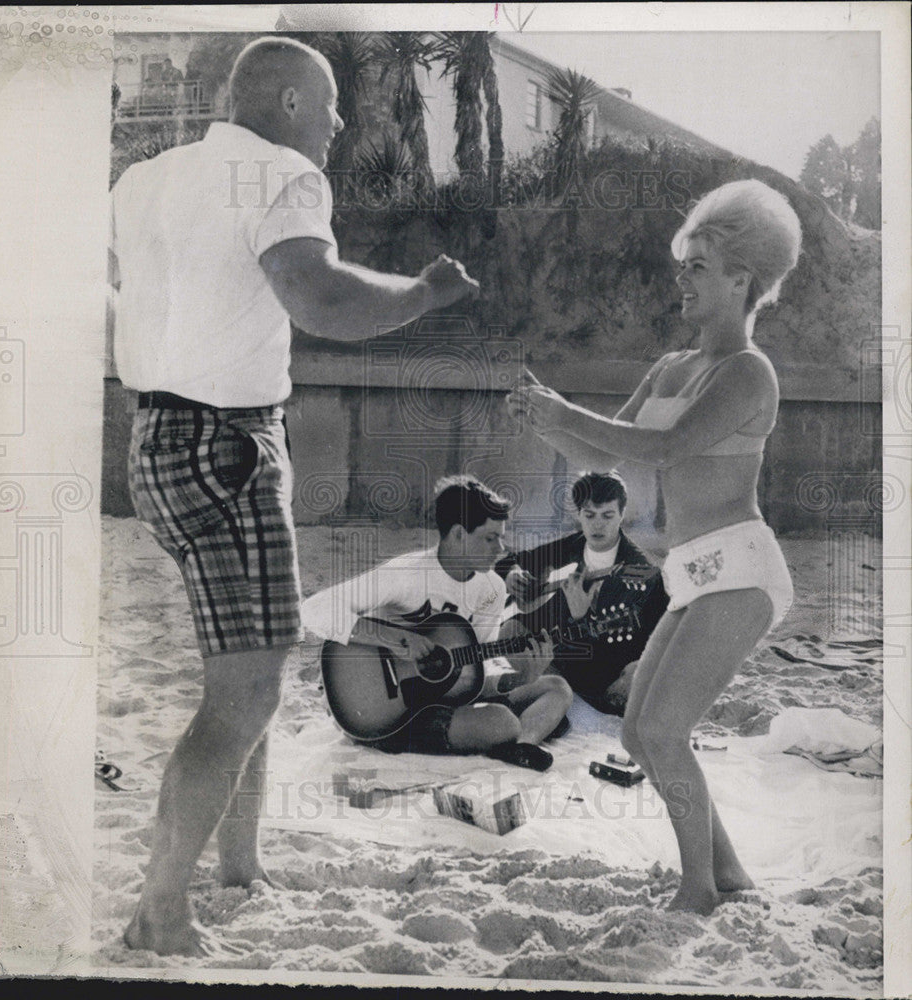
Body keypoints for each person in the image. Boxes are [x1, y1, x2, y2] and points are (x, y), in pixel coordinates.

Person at [109, 36, 478, 957]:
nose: (341, 124)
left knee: (251, 667)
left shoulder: (144, 179)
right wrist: (424, 294)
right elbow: (322, 300)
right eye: (331, 107)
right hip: (226, 445)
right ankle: (160, 912)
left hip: (153, 441)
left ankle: (238, 868)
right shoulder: (282, 175)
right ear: (284, 105)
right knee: (242, 693)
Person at [509, 179, 801, 915]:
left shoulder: (746, 373)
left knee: (664, 728)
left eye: (697, 265)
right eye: (684, 262)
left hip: (741, 570)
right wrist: (543, 420)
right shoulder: (673, 366)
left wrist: (565, 412)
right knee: (641, 733)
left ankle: (697, 890)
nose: (682, 277)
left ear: (741, 280)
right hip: (692, 573)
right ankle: (727, 873)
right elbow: (607, 461)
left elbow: (667, 448)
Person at [303, 476, 572, 770]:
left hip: (444, 695)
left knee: (556, 687)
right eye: (490, 538)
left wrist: (517, 678)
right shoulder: (408, 573)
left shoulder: (493, 589)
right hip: (384, 706)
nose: (501, 549)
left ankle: (522, 747)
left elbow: (475, 670)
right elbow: (314, 609)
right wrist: (392, 637)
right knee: (502, 722)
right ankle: (406, 735)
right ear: (458, 534)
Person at [495, 471, 668, 717]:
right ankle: (545, 699)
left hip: (608, 676)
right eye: (589, 516)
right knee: (510, 630)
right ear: (579, 515)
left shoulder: (641, 572)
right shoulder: (571, 546)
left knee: (639, 676)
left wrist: (581, 618)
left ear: (621, 515)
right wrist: (512, 573)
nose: (597, 525)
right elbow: (508, 561)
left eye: (607, 516)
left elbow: (623, 652)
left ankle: (555, 704)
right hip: (558, 665)